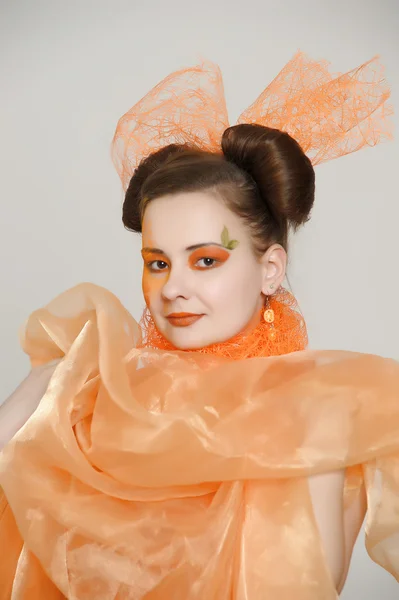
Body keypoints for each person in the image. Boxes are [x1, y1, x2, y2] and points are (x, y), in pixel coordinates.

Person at [0, 52, 398, 600]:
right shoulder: (85, 384)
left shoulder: (309, 409)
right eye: (158, 262)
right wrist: (47, 392)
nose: (172, 287)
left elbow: (308, 584)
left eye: (206, 259)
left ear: (270, 268)